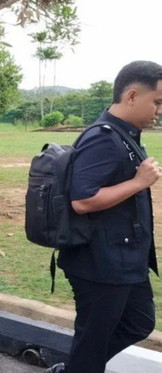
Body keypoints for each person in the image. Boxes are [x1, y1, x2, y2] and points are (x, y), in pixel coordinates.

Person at [48, 61, 162, 373]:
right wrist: (139, 182)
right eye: (158, 102)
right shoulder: (103, 138)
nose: (159, 111)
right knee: (93, 342)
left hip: (124, 260)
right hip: (100, 264)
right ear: (132, 96)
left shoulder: (125, 135)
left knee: (139, 322)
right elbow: (82, 201)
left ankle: (77, 366)